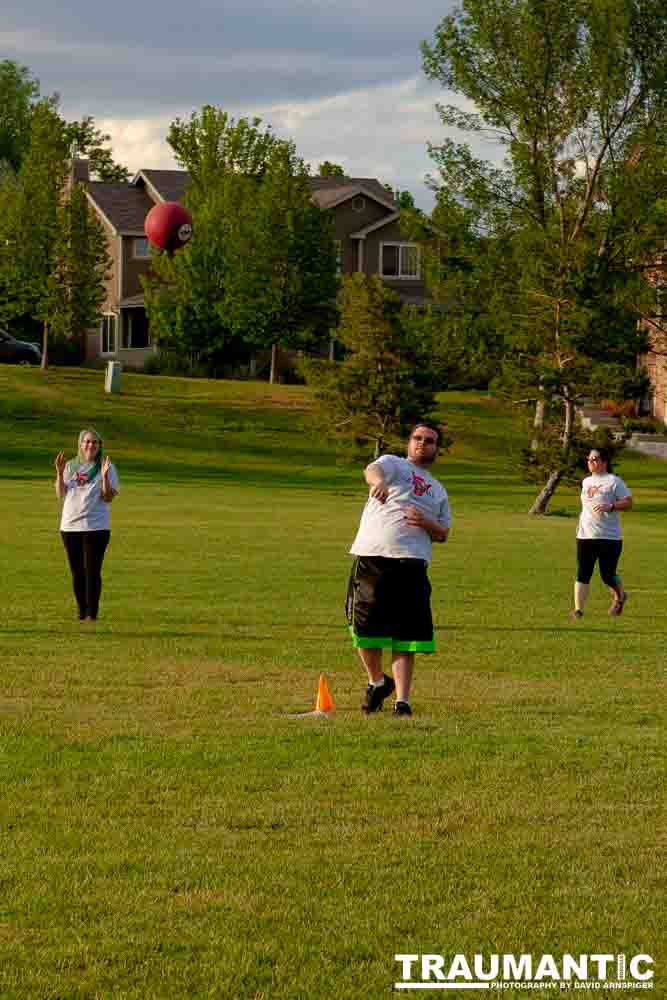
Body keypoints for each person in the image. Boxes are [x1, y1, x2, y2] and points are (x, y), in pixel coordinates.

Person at [346, 423, 451, 717]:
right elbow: (371, 470)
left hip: (413, 563)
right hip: (373, 556)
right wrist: (378, 482)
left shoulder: (439, 491)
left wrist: (425, 523)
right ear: (409, 442)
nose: (422, 444)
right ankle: (377, 682)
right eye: (417, 438)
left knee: (406, 636)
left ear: (436, 449)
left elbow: (443, 533)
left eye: (429, 441)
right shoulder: (392, 465)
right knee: (364, 628)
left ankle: (402, 702)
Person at [54, 429, 119, 621]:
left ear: (100, 446)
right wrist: (59, 473)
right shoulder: (70, 466)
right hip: (70, 527)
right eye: (87, 442)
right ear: (80, 444)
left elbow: (108, 497)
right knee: (77, 573)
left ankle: (92, 614)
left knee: (92, 571)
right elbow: (60, 494)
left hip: (96, 528)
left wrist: (105, 477)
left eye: (95, 442)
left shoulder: (106, 466)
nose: (91, 445)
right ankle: (82, 612)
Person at [570, 447, 632, 621]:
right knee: (583, 572)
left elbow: (628, 503)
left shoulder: (614, 481)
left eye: (595, 459)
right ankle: (578, 611)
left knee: (607, 575)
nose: (590, 462)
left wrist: (611, 506)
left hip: (609, 537)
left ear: (604, 462)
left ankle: (620, 597)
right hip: (585, 535)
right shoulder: (586, 482)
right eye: (589, 459)